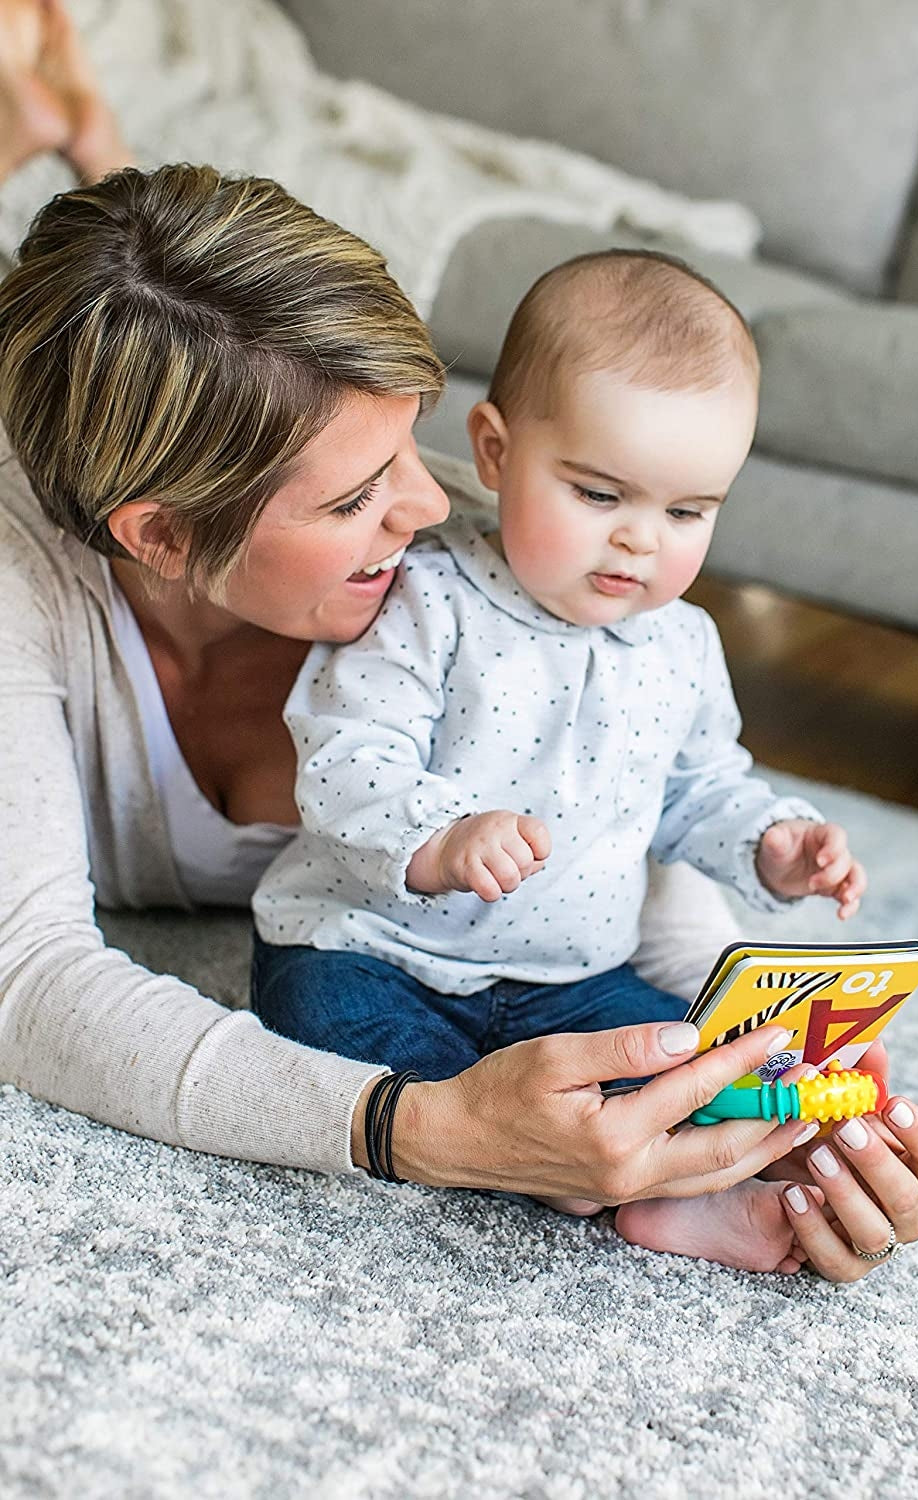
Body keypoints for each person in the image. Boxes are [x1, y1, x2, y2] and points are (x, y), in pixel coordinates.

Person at [0, 0, 918, 1282]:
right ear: (161, 538)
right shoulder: (29, 599)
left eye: (413, 440)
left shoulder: (501, 535)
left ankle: (69, 132)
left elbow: (621, 805)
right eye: (351, 498)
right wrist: (427, 1129)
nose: (429, 504)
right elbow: (31, 986)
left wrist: (746, 1076)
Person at [250, 250, 870, 1268]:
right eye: (597, 493)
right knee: (332, 1036)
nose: (638, 544)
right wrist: (442, 836)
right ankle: (522, 1154)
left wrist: (773, 844)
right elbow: (346, 755)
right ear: (494, 451)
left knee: (692, 1064)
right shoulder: (425, 595)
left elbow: (699, 791)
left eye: (685, 513)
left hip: (572, 978)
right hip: (379, 950)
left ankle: (666, 1197)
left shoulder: (681, 646)